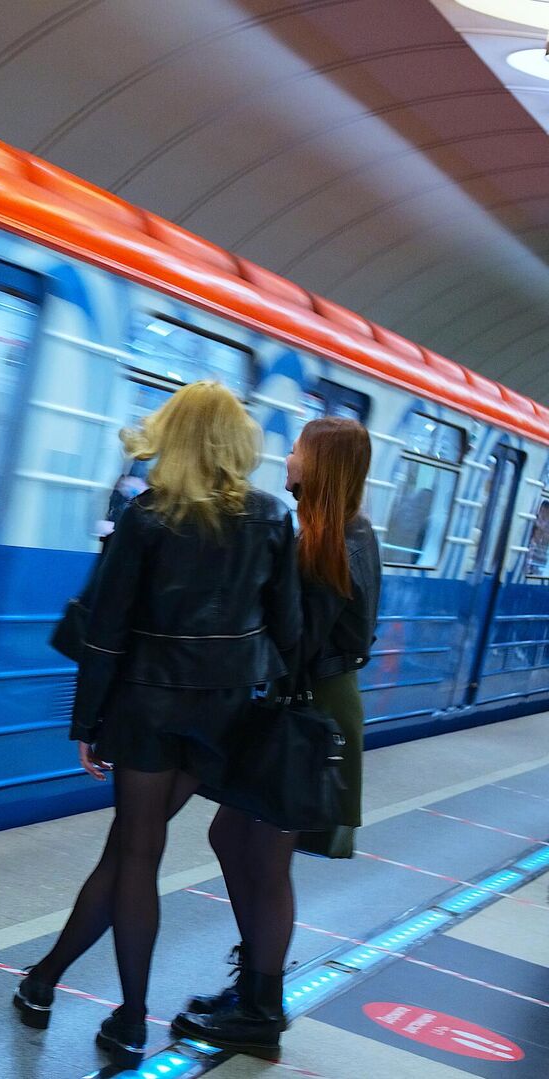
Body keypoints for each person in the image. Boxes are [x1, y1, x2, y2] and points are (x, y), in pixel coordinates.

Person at [10, 382, 300, 1065]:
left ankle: (132, 1017)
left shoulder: (148, 516)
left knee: (135, 854)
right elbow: (286, 631)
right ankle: (44, 979)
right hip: (221, 712)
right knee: (127, 853)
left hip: (147, 706)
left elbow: (106, 631)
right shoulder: (270, 517)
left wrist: (87, 721)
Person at [172, 417, 379, 1057]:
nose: (284, 459)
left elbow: (298, 639)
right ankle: (257, 976)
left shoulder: (336, 540)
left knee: (265, 856)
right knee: (232, 835)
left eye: (295, 450)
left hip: (307, 713)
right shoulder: (331, 532)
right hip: (299, 706)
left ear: (319, 465)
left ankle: (262, 1008)